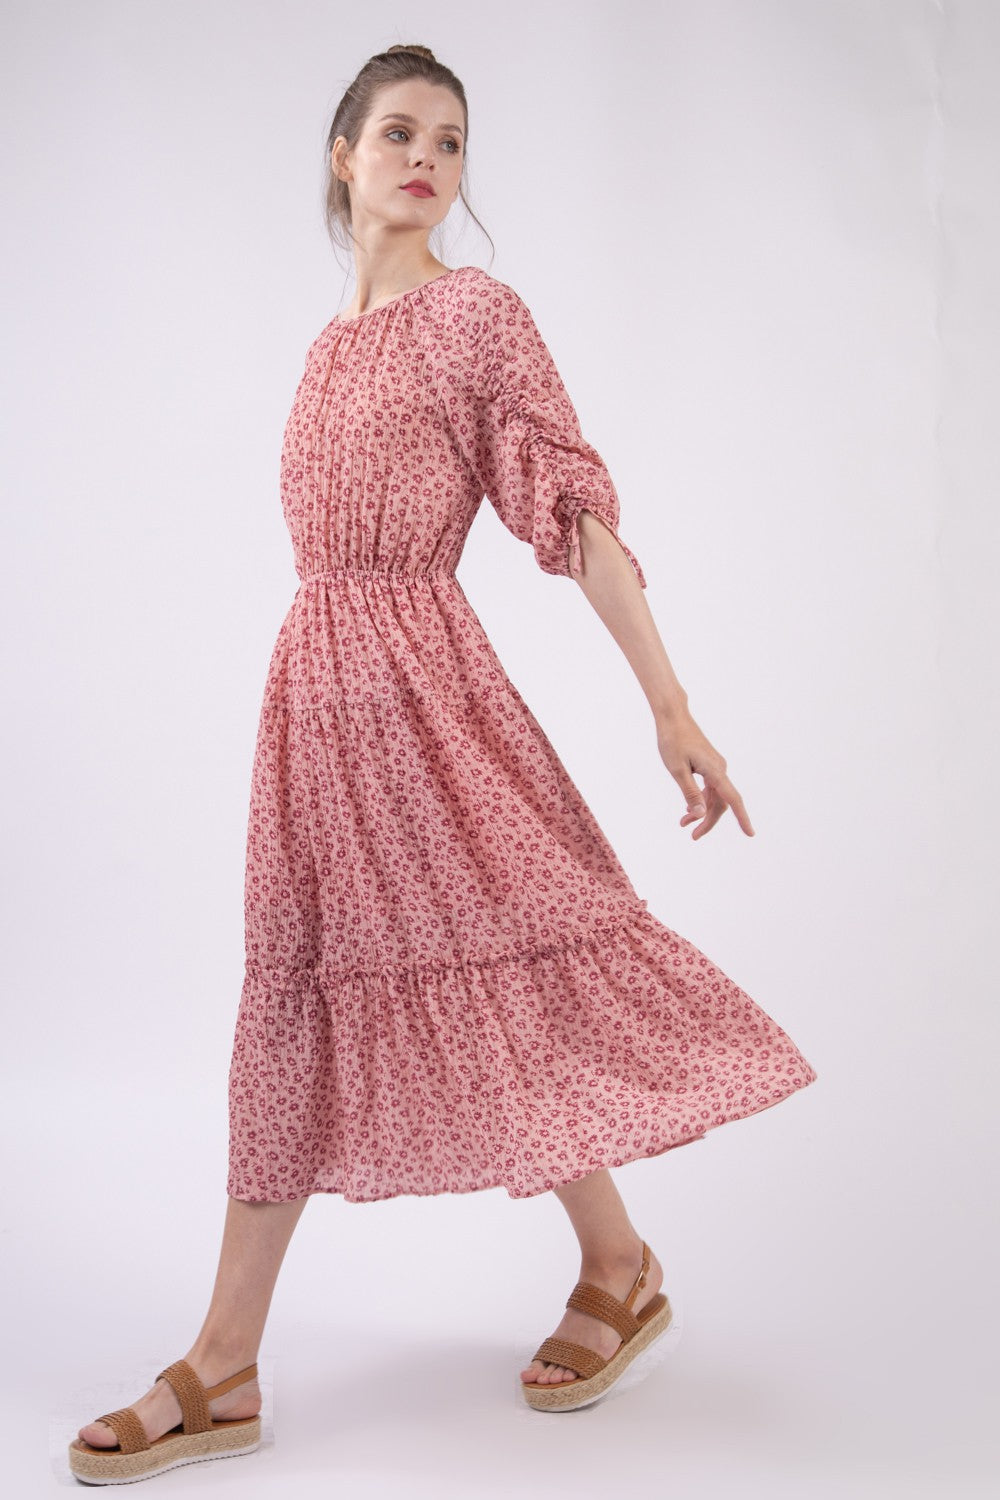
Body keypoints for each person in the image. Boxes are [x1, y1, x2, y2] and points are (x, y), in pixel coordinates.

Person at [69, 42, 818, 1485]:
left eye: (455, 141)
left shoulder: (477, 317)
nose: (428, 158)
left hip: (428, 695)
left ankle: (612, 1263)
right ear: (341, 156)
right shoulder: (324, 347)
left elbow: (572, 508)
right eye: (399, 132)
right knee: (290, 996)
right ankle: (234, 1357)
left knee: (501, 970)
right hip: (314, 707)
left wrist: (670, 703)